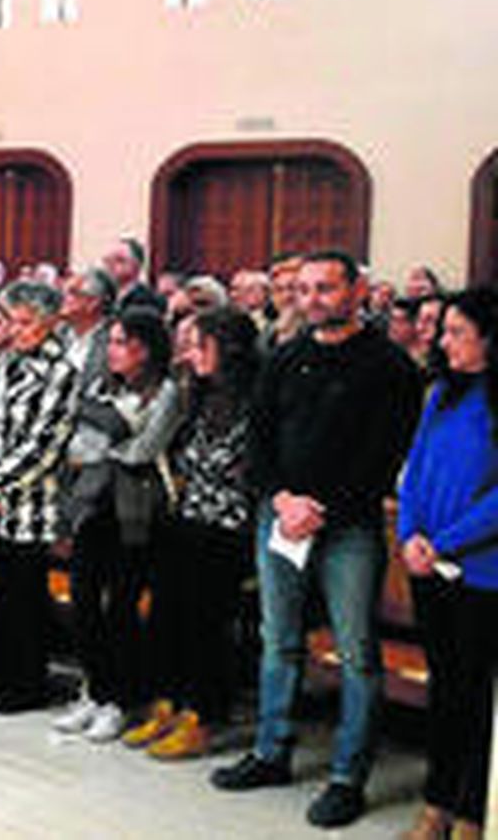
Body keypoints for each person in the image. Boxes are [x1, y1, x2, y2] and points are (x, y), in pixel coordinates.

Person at [211, 250, 423, 829]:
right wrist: (281, 500)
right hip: (280, 520)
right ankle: (270, 751)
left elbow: (383, 456)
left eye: (325, 288)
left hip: (349, 526)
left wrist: (317, 508)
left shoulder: (390, 366)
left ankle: (347, 776)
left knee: (357, 651)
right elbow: (257, 438)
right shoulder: (285, 357)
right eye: (303, 290)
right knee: (278, 638)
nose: (311, 300)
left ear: (357, 292)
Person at [128, 307, 262, 760]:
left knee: (207, 622)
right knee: (167, 613)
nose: (191, 352)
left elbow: (253, 469)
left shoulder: (257, 400)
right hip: (188, 515)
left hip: (230, 527)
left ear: (228, 348)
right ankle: (166, 701)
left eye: (202, 344)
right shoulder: (197, 394)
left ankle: (202, 714)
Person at [396, 288, 498, 840]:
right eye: (445, 331)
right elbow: (414, 470)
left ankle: (473, 811)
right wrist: (411, 533)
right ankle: (436, 801)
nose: (443, 341)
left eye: (458, 332)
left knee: (477, 696)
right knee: (445, 690)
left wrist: (447, 542)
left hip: (482, 570)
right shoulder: (439, 394)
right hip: (430, 564)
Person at [54, 309, 181, 743]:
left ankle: (119, 700)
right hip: (94, 505)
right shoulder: (99, 384)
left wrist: (107, 436)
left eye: (122, 342)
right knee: (84, 600)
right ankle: (93, 689)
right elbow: (78, 443)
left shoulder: (167, 390)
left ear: (145, 348)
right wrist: (107, 438)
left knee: (121, 608)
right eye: (110, 342)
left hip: (137, 510)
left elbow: (144, 449)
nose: (112, 351)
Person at [0, 280, 79, 713]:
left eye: (27, 322)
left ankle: (26, 682)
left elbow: (44, 444)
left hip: (31, 505)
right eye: (13, 320)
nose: (17, 330)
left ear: (49, 324)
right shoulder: (6, 361)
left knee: (24, 596)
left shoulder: (61, 372)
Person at [60, 268, 116, 392]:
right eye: (63, 291)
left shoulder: (114, 340)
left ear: (93, 302)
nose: (63, 298)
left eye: (72, 293)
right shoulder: (57, 334)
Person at [102, 237, 165, 314]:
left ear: (136, 265)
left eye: (120, 260)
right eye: (108, 260)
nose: (111, 265)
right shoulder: (104, 299)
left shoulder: (147, 300)